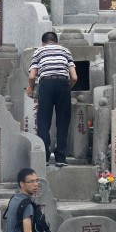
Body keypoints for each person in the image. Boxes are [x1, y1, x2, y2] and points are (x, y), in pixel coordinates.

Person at [27, 31, 77, 166]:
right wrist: (67, 87)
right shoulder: (65, 51)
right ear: (57, 42)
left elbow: (31, 76)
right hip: (63, 84)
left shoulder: (39, 51)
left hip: (46, 85)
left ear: (43, 43)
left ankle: (45, 157)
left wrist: (31, 88)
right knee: (63, 122)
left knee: (43, 121)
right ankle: (60, 158)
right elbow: (74, 77)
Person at [4, 168, 43, 232]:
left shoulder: (14, 198)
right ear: (22, 184)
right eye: (31, 181)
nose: (36, 184)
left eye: (37, 180)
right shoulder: (27, 205)